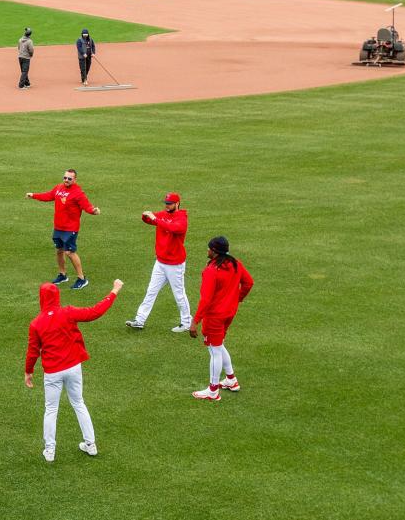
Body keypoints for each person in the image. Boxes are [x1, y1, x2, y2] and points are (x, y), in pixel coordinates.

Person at [25, 279, 123, 462]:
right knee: (79, 403)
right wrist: (114, 291)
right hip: (73, 367)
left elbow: (32, 351)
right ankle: (90, 444)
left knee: (51, 409)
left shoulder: (36, 324)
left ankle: (50, 450)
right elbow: (95, 312)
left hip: (53, 371)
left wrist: (28, 371)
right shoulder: (68, 313)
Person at [189, 236, 254, 401]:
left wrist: (195, 321)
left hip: (215, 317)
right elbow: (248, 283)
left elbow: (206, 300)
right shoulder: (235, 263)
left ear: (215, 251)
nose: (207, 250)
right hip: (229, 314)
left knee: (214, 350)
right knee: (219, 345)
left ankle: (212, 391)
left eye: (209, 248)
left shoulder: (211, 271)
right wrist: (237, 298)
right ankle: (231, 380)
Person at [126, 192, 192, 332]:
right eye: (166, 203)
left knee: (179, 295)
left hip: (175, 264)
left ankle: (186, 322)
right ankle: (140, 320)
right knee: (151, 291)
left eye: (169, 204)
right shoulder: (163, 214)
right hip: (161, 262)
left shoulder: (182, 218)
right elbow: (149, 220)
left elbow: (173, 228)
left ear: (177, 203)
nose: (167, 206)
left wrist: (155, 218)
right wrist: (145, 215)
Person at [26, 169, 100, 290]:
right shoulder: (59, 188)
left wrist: (93, 211)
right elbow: (49, 195)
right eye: (65, 177)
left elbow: (87, 206)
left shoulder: (78, 193)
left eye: (69, 179)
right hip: (58, 227)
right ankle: (62, 275)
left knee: (70, 252)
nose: (66, 180)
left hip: (70, 228)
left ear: (75, 180)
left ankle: (82, 278)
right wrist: (33, 195)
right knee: (59, 250)